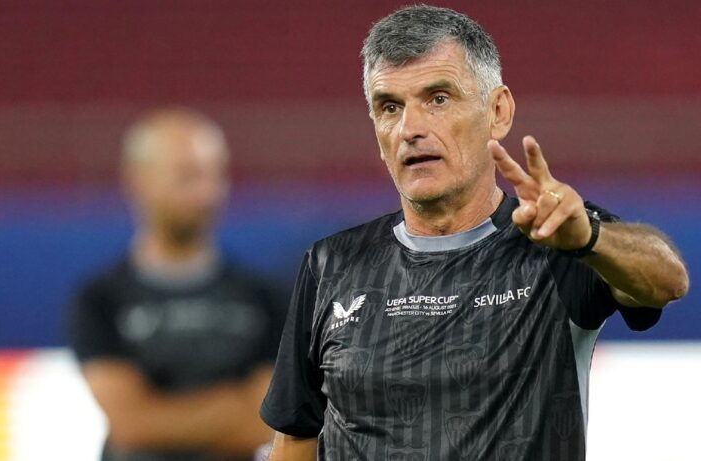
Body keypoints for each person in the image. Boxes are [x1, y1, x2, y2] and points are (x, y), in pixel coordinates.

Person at [260, 6, 689, 460]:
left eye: (438, 99)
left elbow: (668, 281)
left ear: (497, 111)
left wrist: (590, 240)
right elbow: (295, 438)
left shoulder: (557, 241)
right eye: (390, 107)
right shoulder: (331, 264)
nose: (410, 129)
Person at [69, 108, 284, 461]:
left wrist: (163, 417)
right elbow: (131, 424)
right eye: (187, 176)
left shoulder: (266, 298)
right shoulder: (100, 299)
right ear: (138, 180)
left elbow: (268, 423)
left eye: (215, 174)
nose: (206, 193)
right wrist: (228, 407)